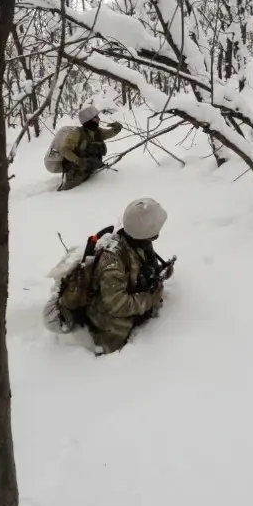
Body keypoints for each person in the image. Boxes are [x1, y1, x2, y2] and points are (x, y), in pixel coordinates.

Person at [85, 198, 173, 354]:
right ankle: (101, 358)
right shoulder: (111, 262)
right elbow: (116, 305)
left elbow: (146, 265)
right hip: (103, 306)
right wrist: (149, 298)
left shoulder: (139, 241)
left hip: (121, 293)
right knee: (119, 330)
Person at [58, 104, 122, 191]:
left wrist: (116, 129)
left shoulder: (97, 131)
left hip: (90, 170)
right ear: (88, 120)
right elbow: (64, 150)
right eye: (96, 117)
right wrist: (78, 161)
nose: (99, 119)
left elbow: (108, 133)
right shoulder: (77, 133)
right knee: (67, 193)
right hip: (76, 173)